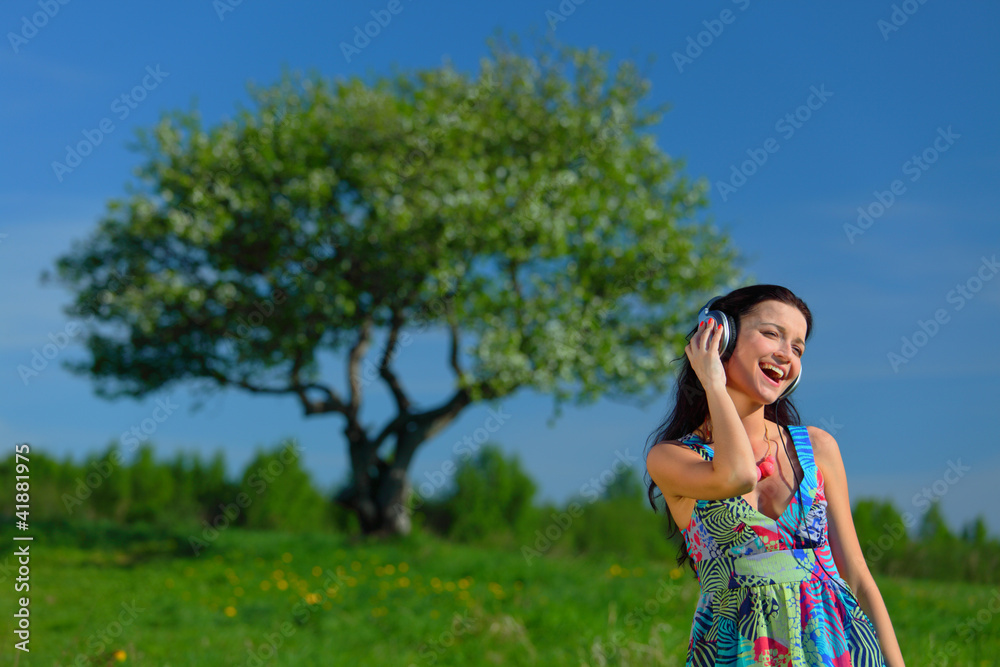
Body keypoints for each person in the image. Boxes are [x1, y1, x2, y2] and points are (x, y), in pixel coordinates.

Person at [644, 285, 905, 666]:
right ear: (720, 336)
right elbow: (737, 476)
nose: (787, 354)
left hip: (837, 650)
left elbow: (857, 575)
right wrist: (713, 382)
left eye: (798, 348)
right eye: (772, 334)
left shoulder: (817, 448)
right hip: (738, 653)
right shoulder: (672, 458)